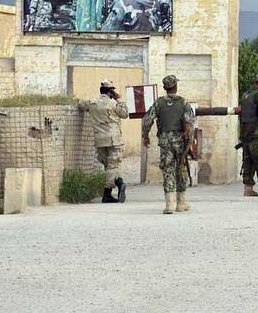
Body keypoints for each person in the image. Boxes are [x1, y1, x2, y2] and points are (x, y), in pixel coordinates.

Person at [142, 75, 196, 214]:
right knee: (181, 168)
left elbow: (147, 119)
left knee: (168, 170)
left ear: (165, 88)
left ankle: (169, 204)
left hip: (165, 141)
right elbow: (189, 123)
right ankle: (181, 202)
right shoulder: (183, 103)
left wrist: (145, 136)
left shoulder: (158, 103)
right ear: (175, 87)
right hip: (180, 140)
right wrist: (189, 142)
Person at [78, 80, 129, 203]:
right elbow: (125, 114)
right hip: (113, 139)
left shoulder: (92, 102)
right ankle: (108, 192)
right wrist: (118, 99)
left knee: (109, 166)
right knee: (113, 165)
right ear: (111, 91)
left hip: (99, 139)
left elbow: (81, 104)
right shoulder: (113, 103)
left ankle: (119, 183)